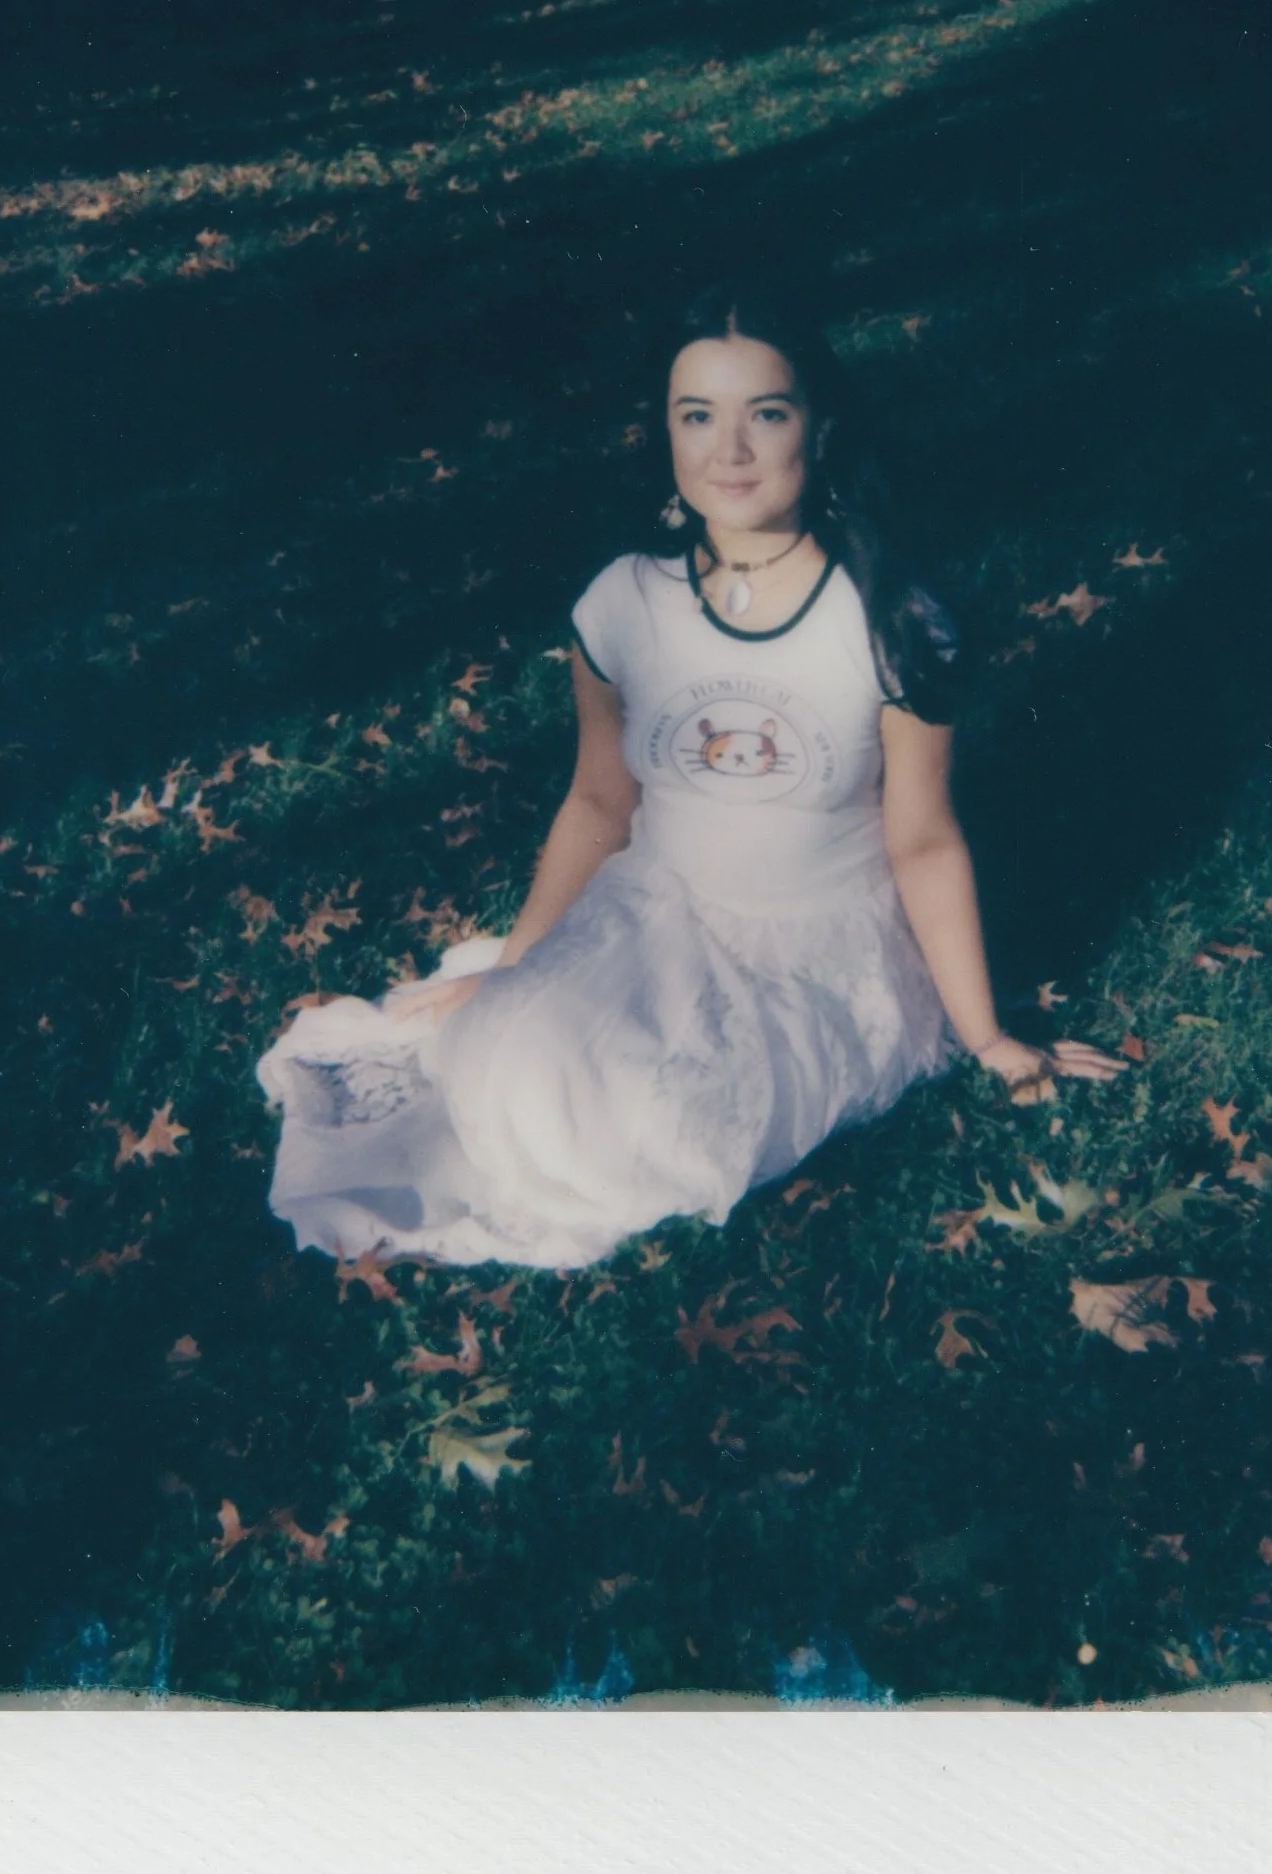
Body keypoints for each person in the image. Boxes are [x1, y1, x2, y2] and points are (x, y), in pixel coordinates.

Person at [256, 284, 1124, 1268]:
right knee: (518, 1062)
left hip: (812, 950)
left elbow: (923, 839)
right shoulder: (624, 601)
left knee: (638, 1121)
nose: (731, 450)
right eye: (698, 416)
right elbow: (597, 802)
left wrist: (987, 1036)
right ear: (664, 432)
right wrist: (517, 969)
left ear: (820, 428)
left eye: (768, 414)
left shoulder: (887, 619)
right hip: (656, 910)